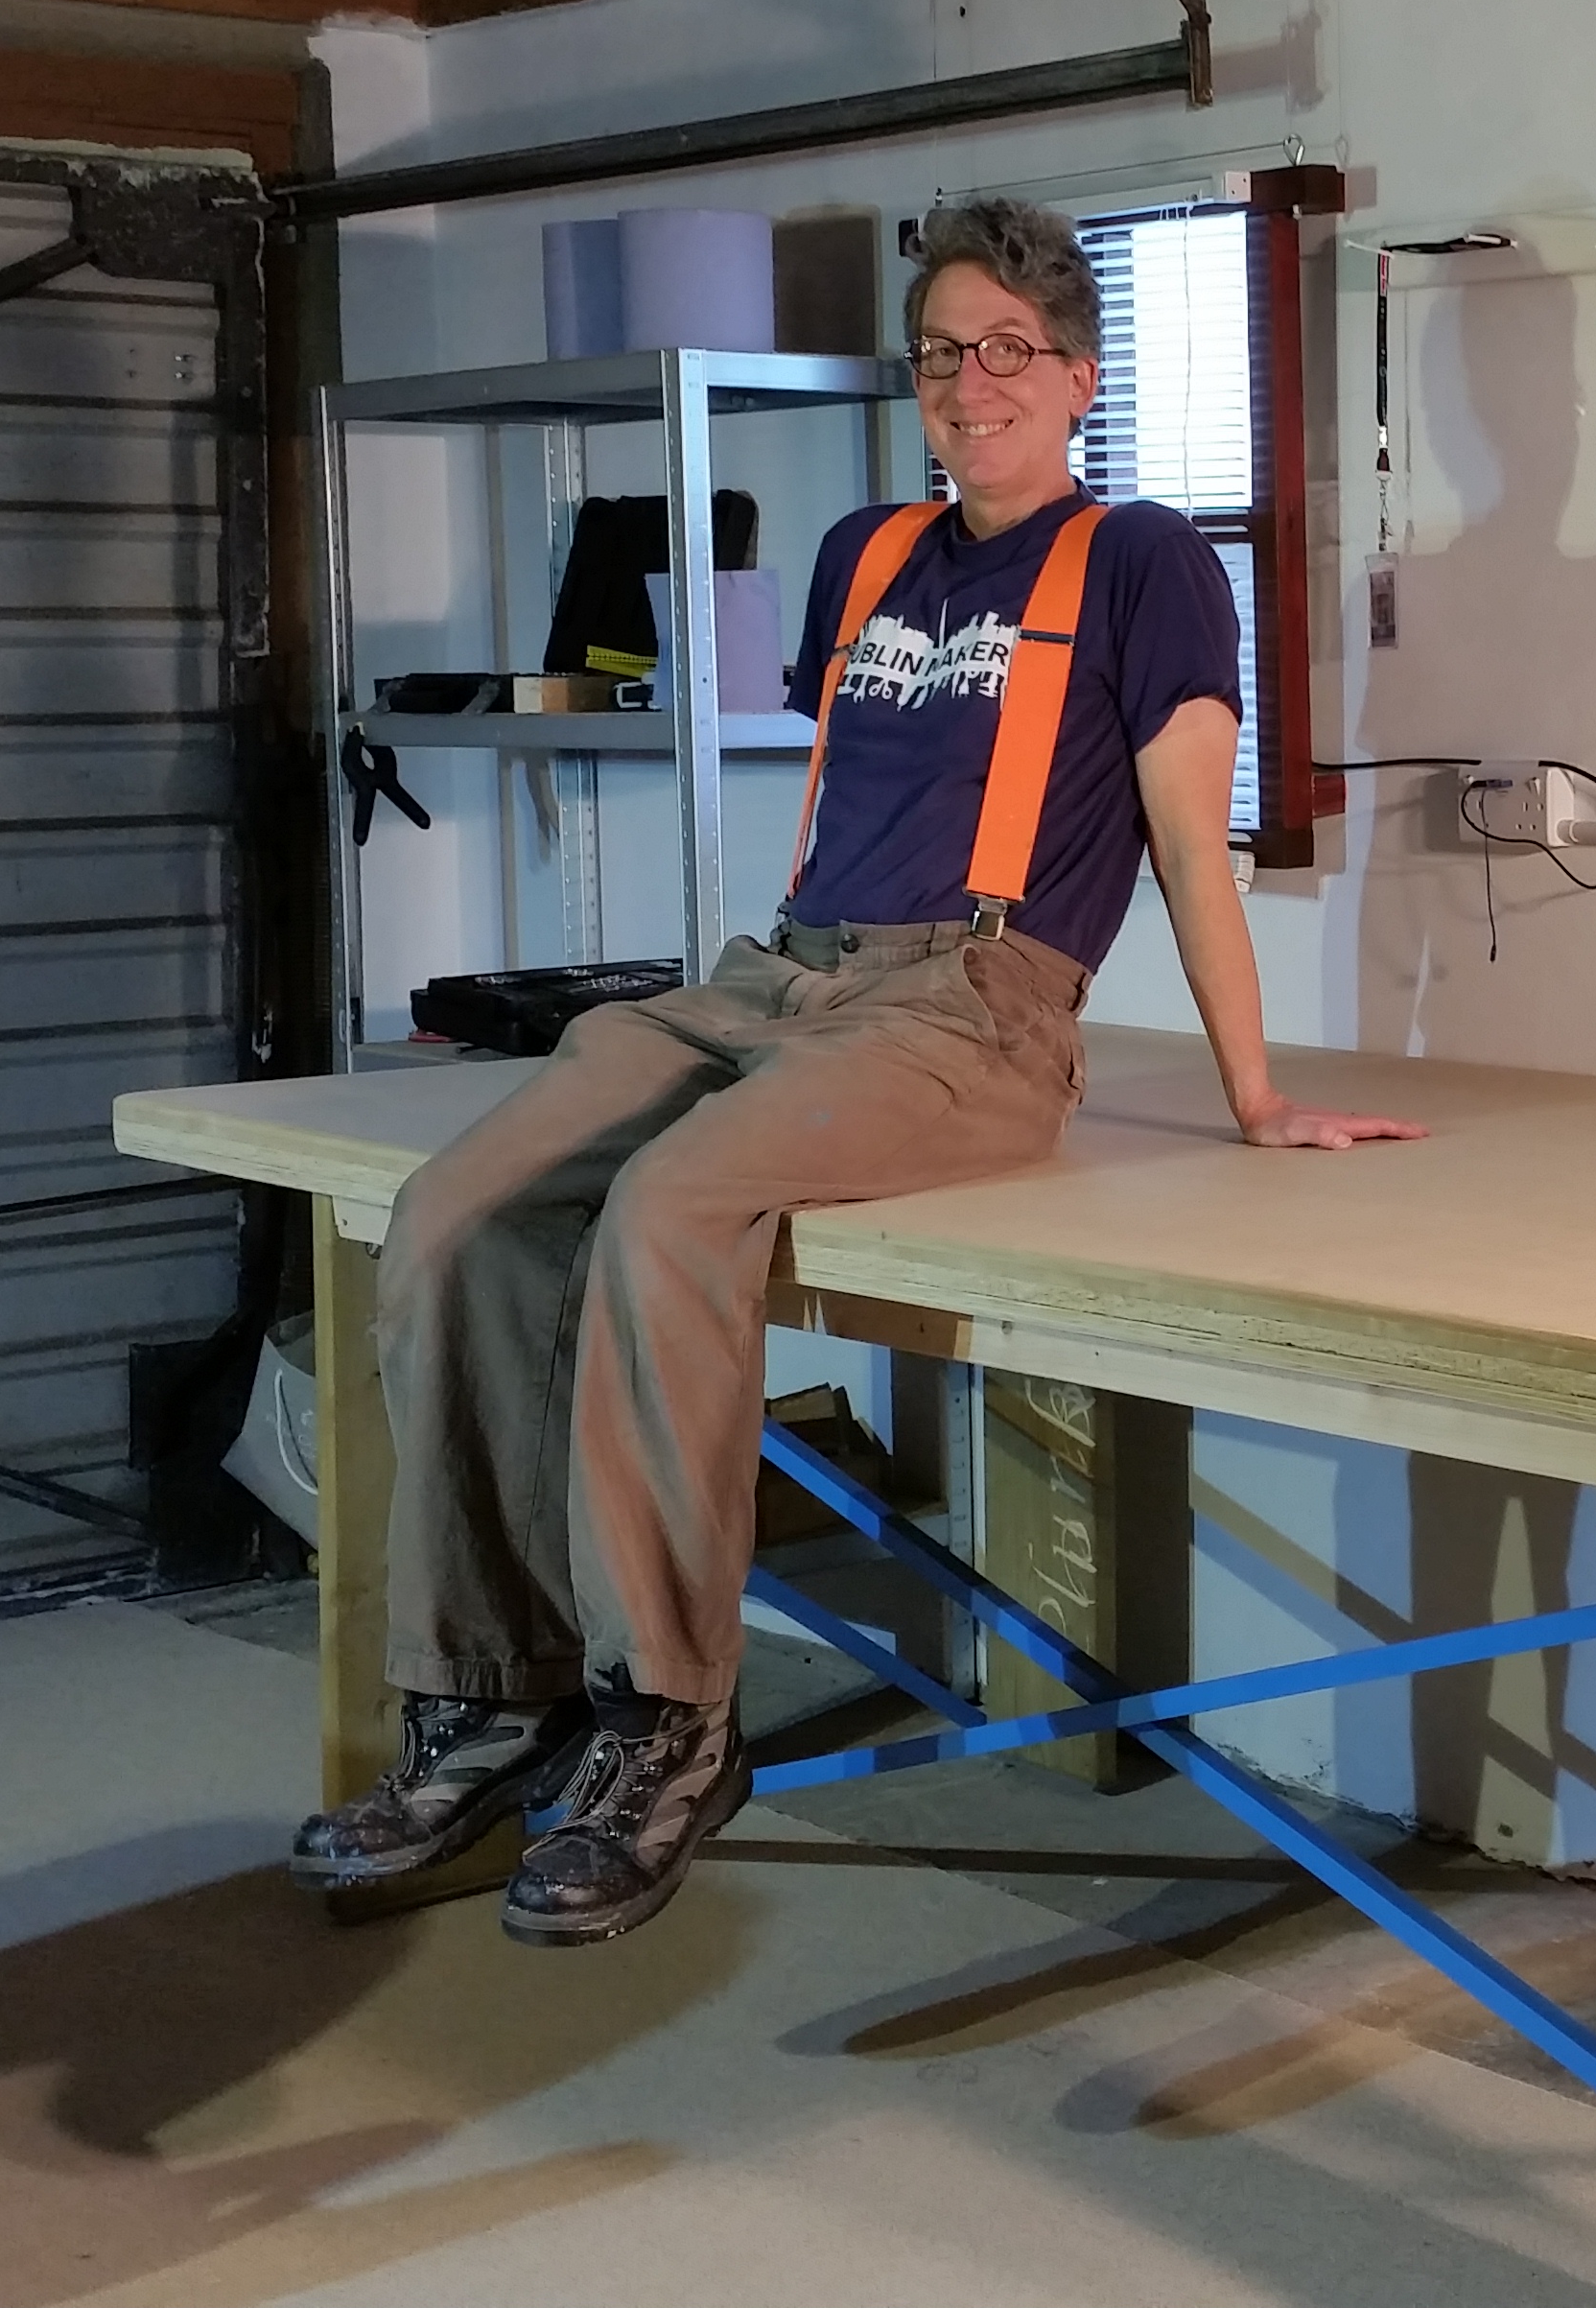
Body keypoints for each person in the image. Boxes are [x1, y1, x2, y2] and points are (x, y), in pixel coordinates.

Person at [293, 198, 1422, 1945]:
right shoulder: (866, 554)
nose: (970, 385)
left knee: (672, 1206)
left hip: (976, 1008)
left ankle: (669, 1717)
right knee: (455, 1212)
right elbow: (865, 802)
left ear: (1077, 377)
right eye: (942, 353)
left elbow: (1194, 847)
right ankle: (491, 1696)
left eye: (1008, 352)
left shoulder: (1145, 566)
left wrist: (1254, 1095)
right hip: (784, 978)